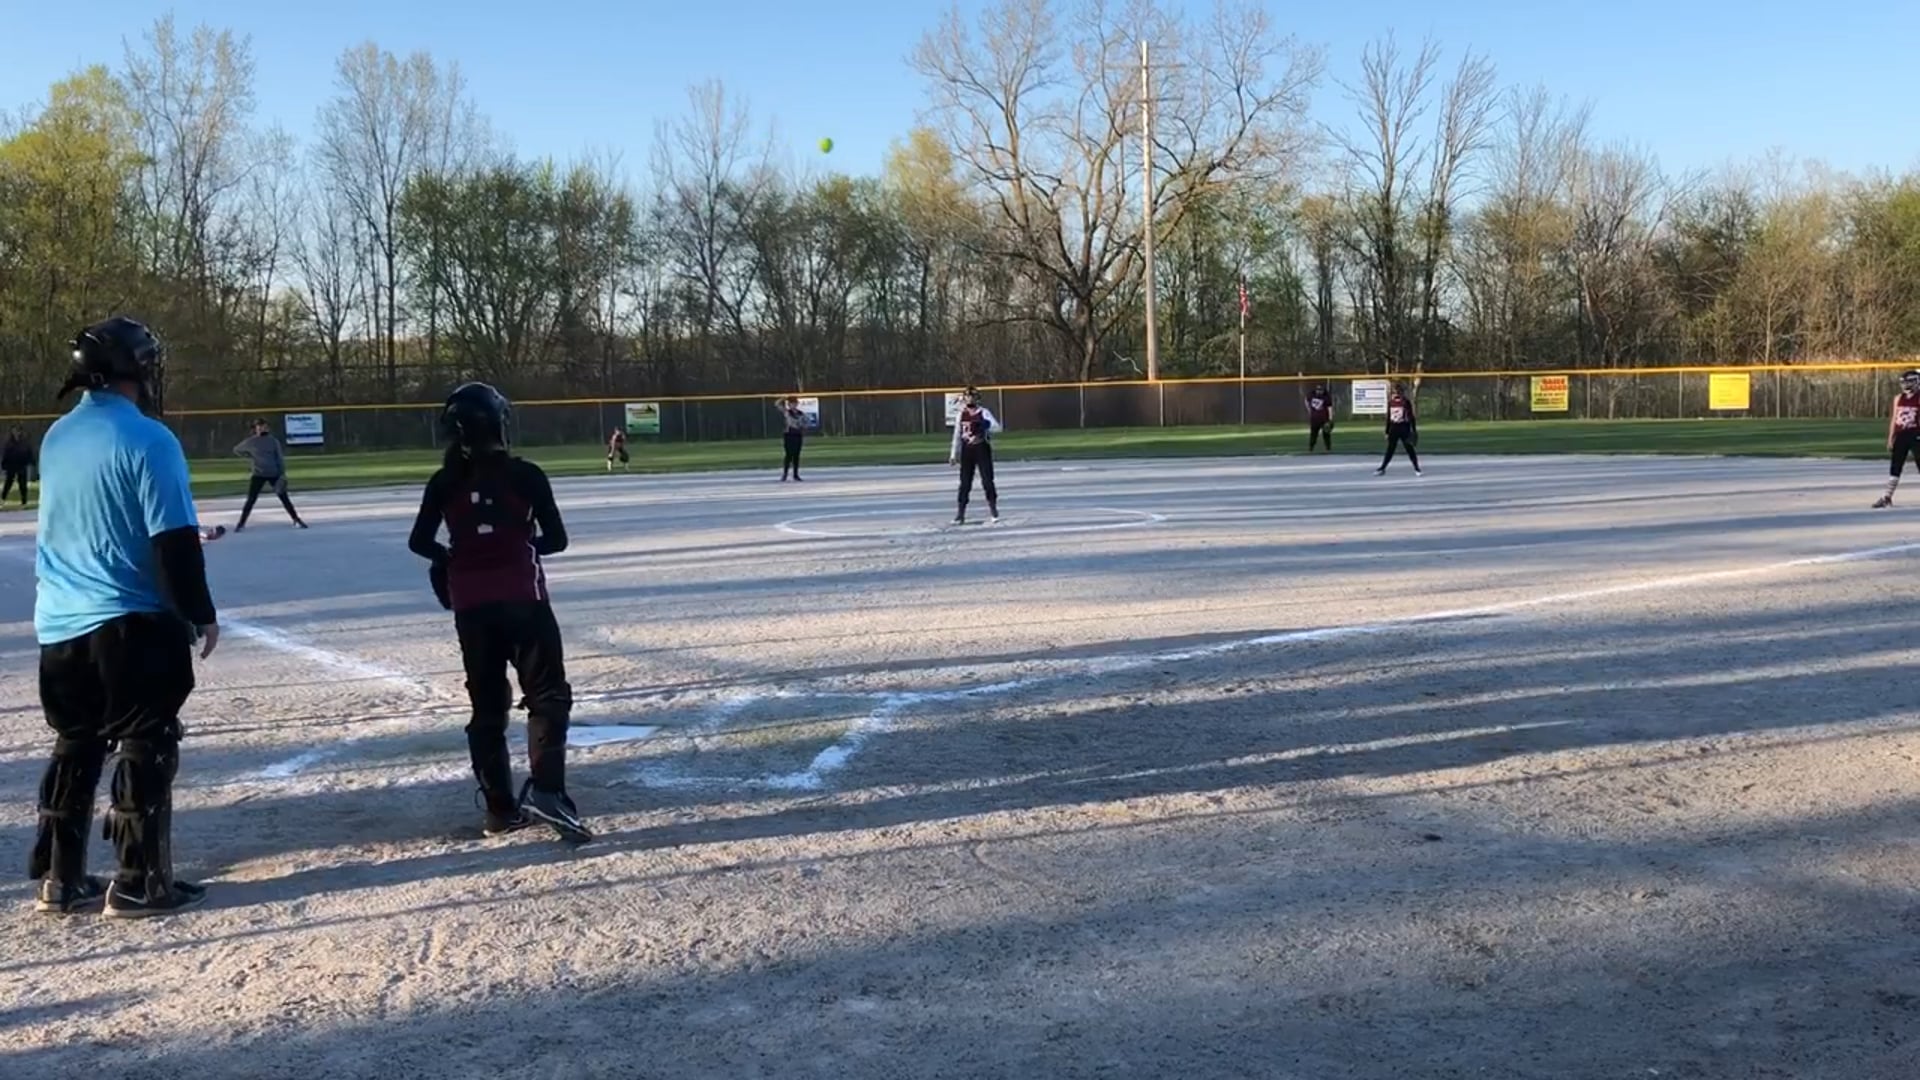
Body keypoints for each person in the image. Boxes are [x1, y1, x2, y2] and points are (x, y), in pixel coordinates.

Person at [30, 317, 219, 918]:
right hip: (128, 620)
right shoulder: (149, 439)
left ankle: (60, 880)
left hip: (59, 622)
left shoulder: (57, 435)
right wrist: (199, 612)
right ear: (137, 370)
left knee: (76, 742)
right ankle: (140, 882)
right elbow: (174, 542)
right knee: (147, 739)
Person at [408, 382, 591, 844]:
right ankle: (547, 791)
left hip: (471, 606)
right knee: (547, 695)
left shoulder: (444, 480)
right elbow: (556, 540)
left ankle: (499, 810)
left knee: (487, 707)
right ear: (498, 424)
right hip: (523, 598)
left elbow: (419, 541)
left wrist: (451, 557)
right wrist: (515, 546)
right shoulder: (525, 475)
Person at [232, 418, 307, 531]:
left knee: (284, 497)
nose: (262, 428)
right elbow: (236, 449)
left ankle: (296, 520)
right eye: (259, 427)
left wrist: (282, 474)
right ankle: (241, 523)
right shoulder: (251, 441)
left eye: (264, 426)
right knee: (251, 499)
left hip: (274, 473)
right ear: (255, 429)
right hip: (258, 474)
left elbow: (279, 458)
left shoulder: (273, 441)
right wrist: (249, 456)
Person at [948, 385, 1000, 524]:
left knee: (987, 480)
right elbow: (957, 435)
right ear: (964, 398)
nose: (970, 399)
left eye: (972, 396)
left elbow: (997, 427)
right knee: (965, 483)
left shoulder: (983, 412)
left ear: (977, 398)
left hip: (981, 448)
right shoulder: (961, 414)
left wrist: (985, 425)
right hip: (967, 450)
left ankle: (993, 509)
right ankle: (960, 513)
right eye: (967, 396)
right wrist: (953, 454)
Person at [1872, 369, 1920, 508]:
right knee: (1895, 466)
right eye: (1904, 382)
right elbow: (1894, 419)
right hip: (1901, 434)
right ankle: (1887, 497)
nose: (1906, 385)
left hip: (1916, 434)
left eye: (1909, 382)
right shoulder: (1898, 398)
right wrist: (1891, 437)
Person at [1375, 383, 1422, 476]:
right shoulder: (1391, 403)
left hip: (1404, 427)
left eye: (1398, 392)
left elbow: (1411, 417)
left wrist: (1413, 430)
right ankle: (1382, 468)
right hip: (1394, 427)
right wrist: (1387, 431)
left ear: (1401, 393)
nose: (1396, 394)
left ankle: (1417, 468)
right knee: (1390, 449)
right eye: (1394, 392)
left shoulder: (1405, 402)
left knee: (1409, 449)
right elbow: (1388, 418)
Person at [2, 427, 35, 507]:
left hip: (21, 466)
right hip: (11, 466)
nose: (15, 433)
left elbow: (29, 452)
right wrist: (4, 465)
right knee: (8, 483)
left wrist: (31, 461)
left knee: (23, 484)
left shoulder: (24, 443)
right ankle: (2, 499)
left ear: (20, 432)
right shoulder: (9, 443)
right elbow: (6, 455)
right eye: (14, 431)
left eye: (17, 431)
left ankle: (24, 501)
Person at [777, 397, 807, 482]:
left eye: (794, 403)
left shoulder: (800, 413)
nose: (793, 405)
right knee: (789, 455)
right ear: (789, 404)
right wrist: (784, 398)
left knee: (796, 455)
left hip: (797, 435)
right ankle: (785, 474)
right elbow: (777, 404)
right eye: (791, 403)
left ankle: (795, 475)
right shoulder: (787, 412)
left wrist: (802, 426)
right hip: (789, 435)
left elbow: (805, 423)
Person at [1305, 384, 1334, 453]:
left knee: (1326, 434)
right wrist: (1308, 409)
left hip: (1324, 419)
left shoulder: (1326, 396)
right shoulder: (1312, 394)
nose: (1319, 391)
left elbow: (1330, 408)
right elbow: (1306, 399)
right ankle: (1311, 448)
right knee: (1313, 434)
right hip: (1314, 419)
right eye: (1318, 390)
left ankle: (1328, 448)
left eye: (1321, 390)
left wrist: (1330, 418)